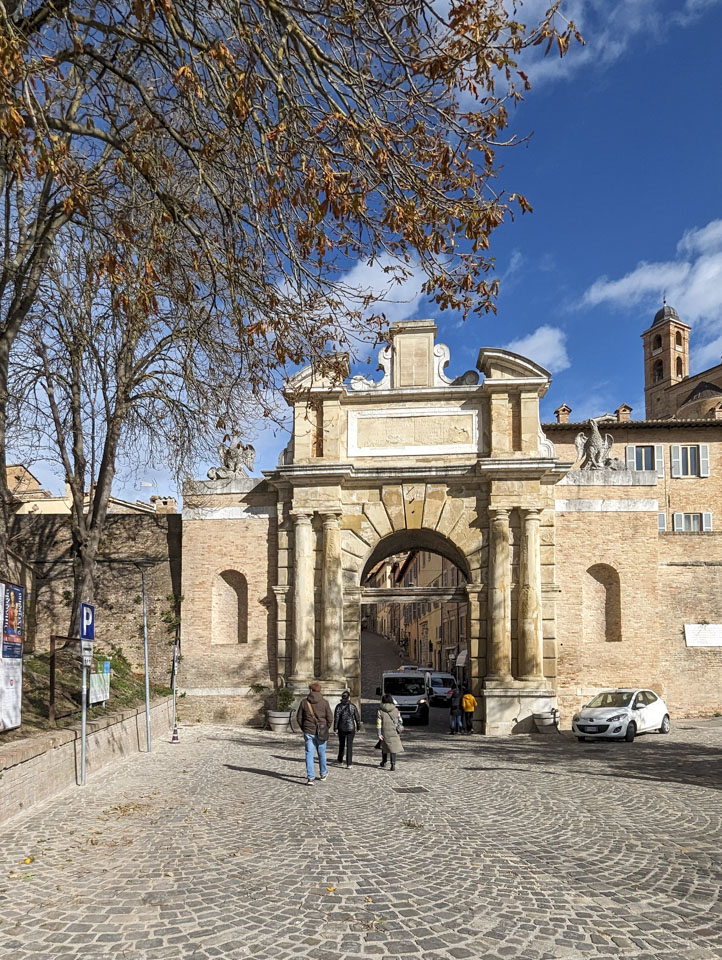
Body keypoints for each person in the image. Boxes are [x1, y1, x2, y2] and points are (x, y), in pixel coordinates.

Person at [297, 682, 333, 785]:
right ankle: (323, 773)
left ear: (310, 690)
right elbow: (330, 717)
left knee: (309, 754)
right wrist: (326, 727)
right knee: (322, 753)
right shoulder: (324, 702)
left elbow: (299, 717)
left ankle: (310, 778)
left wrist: (304, 728)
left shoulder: (304, 702)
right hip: (321, 731)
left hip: (308, 731)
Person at [333, 690, 361, 768]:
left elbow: (336, 718)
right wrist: (358, 727)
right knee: (349, 745)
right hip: (350, 727)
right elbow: (357, 718)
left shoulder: (338, 706)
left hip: (341, 727)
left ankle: (340, 759)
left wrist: (335, 728)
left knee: (341, 744)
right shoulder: (352, 706)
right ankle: (349, 763)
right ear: (349, 697)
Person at [377, 693, 404, 771]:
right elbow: (400, 721)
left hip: (384, 731)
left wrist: (379, 733)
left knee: (384, 747)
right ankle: (393, 764)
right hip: (394, 731)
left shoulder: (380, 711)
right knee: (393, 748)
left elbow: (379, 723)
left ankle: (384, 761)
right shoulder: (396, 710)